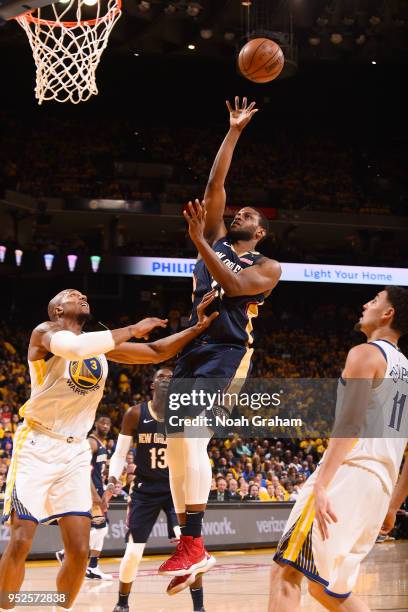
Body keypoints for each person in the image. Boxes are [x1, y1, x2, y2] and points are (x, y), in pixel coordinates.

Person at [0, 287, 218, 611]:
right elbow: (73, 349)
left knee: (79, 549)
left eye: (83, 293)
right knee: (21, 541)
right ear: (57, 310)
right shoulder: (45, 334)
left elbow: (155, 351)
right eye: (71, 294)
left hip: (74, 453)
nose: (81, 295)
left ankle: (59, 607)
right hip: (37, 444)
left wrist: (196, 328)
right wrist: (130, 329)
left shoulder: (99, 346)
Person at [160, 96, 281, 585]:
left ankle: (195, 543)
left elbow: (232, 288)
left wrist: (201, 246)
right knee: (175, 443)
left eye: (249, 214)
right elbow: (215, 185)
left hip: (229, 353)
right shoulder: (214, 234)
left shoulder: (266, 267)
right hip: (194, 347)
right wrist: (233, 131)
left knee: (191, 436)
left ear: (262, 231)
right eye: (238, 211)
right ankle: (188, 543)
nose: (239, 214)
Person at [269, 286, 408, 612]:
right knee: (327, 590)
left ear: (388, 314)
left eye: (374, 301)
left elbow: (349, 425)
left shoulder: (366, 354)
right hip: (379, 490)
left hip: (348, 478)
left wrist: (321, 483)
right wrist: (392, 505)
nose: (365, 304)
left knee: (286, 573)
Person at [103, 368, 212, 612]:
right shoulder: (135, 414)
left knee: (191, 549)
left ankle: (199, 607)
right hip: (144, 490)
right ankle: (122, 603)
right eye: (161, 377)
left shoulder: (186, 415)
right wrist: (112, 480)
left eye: (171, 378)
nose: (166, 380)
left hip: (177, 489)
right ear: (152, 385)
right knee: (132, 552)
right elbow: (120, 454)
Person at [55, 414, 113, 579]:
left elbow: (98, 469)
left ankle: (93, 566)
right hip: (89, 491)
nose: (106, 425)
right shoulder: (91, 442)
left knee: (101, 529)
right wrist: (94, 494)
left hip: (98, 491)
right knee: (101, 528)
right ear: (95, 424)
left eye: (108, 423)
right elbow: (83, 469)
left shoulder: (103, 445)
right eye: (103, 422)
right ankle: (66, 553)